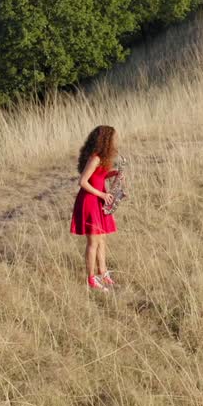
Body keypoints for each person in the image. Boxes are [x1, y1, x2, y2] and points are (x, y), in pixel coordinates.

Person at [71, 125, 120, 291]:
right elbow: (83, 181)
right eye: (113, 138)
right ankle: (91, 279)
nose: (115, 141)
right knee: (93, 242)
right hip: (91, 201)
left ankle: (103, 273)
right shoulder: (95, 158)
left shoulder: (102, 158)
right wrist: (102, 195)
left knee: (102, 239)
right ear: (106, 140)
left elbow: (98, 176)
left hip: (98, 200)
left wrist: (114, 174)